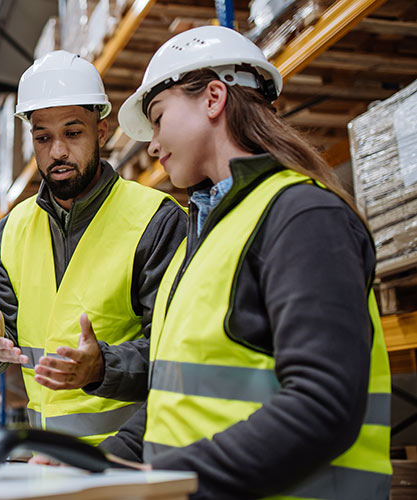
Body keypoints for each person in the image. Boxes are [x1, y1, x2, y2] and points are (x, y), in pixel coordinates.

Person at [103, 25, 391, 499]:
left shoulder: (303, 217)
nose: (152, 145)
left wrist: (169, 482)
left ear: (213, 97)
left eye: (158, 118)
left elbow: (322, 406)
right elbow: (174, 402)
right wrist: (97, 465)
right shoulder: (203, 239)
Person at [0, 50, 187, 446]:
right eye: (43, 137)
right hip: (47, 461)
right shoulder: (12, 230)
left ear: (101, 132)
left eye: (73, 132)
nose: (57, 151)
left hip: (134, 461)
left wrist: (103, 367)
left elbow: (179, 352)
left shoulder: (156, 220)